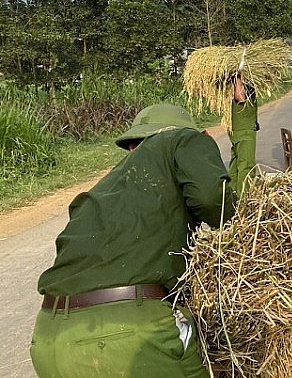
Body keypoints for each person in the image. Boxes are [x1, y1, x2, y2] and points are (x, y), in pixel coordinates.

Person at [30, 103, 236, 377]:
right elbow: (214, 200)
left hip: (48, 340)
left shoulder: (103, 190)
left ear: (132, 146)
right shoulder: (181, 139)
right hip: (126, 336)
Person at [228, 72, 258, 194]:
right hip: (244, 129)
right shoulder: (237, 79)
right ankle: (243, 200)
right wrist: (238, 78)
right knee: (246, 167)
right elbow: (240, 97)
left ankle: (233, 196)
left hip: (237, 128)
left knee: (235, 165)